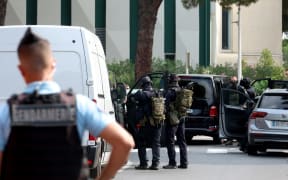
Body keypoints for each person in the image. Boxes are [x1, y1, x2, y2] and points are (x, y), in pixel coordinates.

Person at [0, 27, 134, 180]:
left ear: (21, 70)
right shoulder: (79, 106)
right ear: (53, 65)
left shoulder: (7, 112)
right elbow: (125, 143)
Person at [134, 76, 162, 170]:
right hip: (157, 121)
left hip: (145, 123)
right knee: (156, 143)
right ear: (151, 83)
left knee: (141, 142)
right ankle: (155, 163)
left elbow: (134, 97)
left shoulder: (141, 94)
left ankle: (143, 163)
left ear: (143, 85)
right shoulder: (157, 92)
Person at [163, 74, 188, 169]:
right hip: (182, 117)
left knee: (170, 140)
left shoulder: (169, 92)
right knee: (182, 140)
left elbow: (166, 105)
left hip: (172, 118)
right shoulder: (181, 91)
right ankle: (184, 162)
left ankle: (172, 163)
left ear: (170, 81)